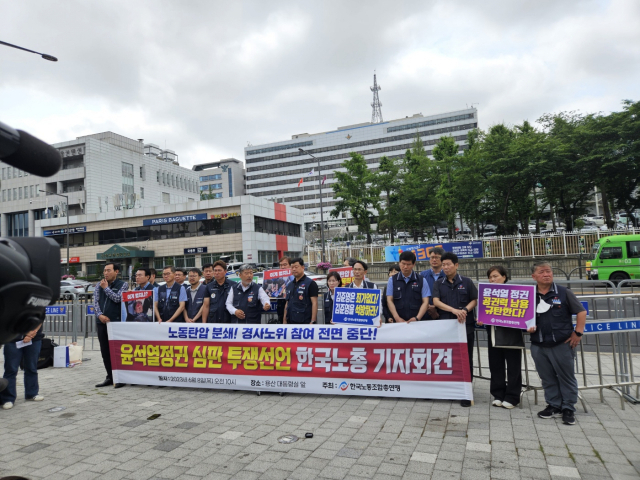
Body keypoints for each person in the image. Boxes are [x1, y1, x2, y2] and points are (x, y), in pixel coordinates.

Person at [528, 262, 586, 426]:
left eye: (549, 271)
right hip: (538, 344)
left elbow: (581, 312)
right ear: (534, 277)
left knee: (566, 377)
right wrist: (527, 329)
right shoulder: (529, 295)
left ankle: (568, 408)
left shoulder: (563, 292)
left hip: (561, 343)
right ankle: (553, 405)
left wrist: (578, 333)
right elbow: (522, 318)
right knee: (546, 378)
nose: (546, 274)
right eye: (542, 272)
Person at [432, 252, 478, 407]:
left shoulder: (467, 281)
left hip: (465, 325)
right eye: (443, 264)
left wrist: (464, 310)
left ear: (456, 265)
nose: (445, 267)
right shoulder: (439, 282)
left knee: (466, 358)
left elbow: (474, 299)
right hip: (446, 326)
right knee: (447, 358)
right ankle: (449, 389)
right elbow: (436, 301)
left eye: (448, 264)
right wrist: (453, 310)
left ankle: (466, 392)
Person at [478, 266, 522, 409]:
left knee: (513, 366)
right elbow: (483, 313)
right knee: (495, 365)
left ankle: (513, 396)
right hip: (493, 334)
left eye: (495, 276)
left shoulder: (515, 293)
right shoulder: (487, 294)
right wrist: (481, 319)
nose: (492, 279)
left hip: (511, 335)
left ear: (504, 276)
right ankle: (498, 394)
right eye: (490, 277)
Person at [94, 262, 129, 388]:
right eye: (104, 270)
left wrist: (106, 288)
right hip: (102, 323)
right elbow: (95, 302)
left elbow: (118, 299)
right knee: (105, 351)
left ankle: (120, 377)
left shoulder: (123, 285)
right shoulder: (99, 285)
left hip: (116, 323)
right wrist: (99, 315)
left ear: (116, 271)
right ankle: (110, 376)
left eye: (109, 270)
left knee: (117, 351)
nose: (106, 273)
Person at [1, 324, 44, 409]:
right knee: (11, 369)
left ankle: (32, 393)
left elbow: (40, 318)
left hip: (34, 339)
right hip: (12, 339)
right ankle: (8, 399)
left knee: (31, 367)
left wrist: (31, 333)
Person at [386, 251, 431, 324]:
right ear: (399, 263)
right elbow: (389, 300)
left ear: (413, 264)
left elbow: (425, 302)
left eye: (408, 264)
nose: (405, 267)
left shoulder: (422, 280)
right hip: (398, 323)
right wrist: (397, 318)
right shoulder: (392, 280)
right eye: (403, 264)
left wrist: (417, 318)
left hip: (417, 323)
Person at [284, 257, 319, 324]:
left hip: (304, 322)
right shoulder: (289, 285)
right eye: (292, 267)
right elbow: (287, 303)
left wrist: (313, 321)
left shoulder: (310, 283)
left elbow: (315, 303)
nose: (294, 269)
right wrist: (284, 320)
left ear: (303, 267)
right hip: (290, 321)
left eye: (296, 267)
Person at [420, 247, 446, 320]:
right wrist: (429, 308)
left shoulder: (447, 275)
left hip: (444, 313)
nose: (434, 260)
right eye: (432, 257)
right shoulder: (422, 275)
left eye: (437, 257)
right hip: (425, 313)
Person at [276, 256, 292, 324]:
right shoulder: (277, 278)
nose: (282, 267)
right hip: (281, 305)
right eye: (280, 265)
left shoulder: (295, 278)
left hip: (292, 308)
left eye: (285, 265)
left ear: (291, 265)